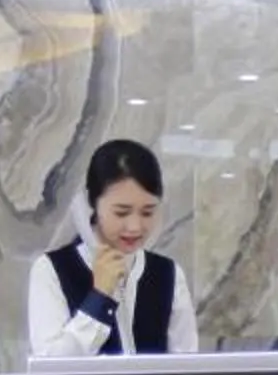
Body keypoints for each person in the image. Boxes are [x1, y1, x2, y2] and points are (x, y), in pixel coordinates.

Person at [28, 139, 202, 359]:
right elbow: (50, 365)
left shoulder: (167, 274)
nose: (135, 227)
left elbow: (186, 365)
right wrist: (99, 299)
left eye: (147, 212)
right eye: (121, 212)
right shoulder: (52, 270)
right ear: (92, 204)